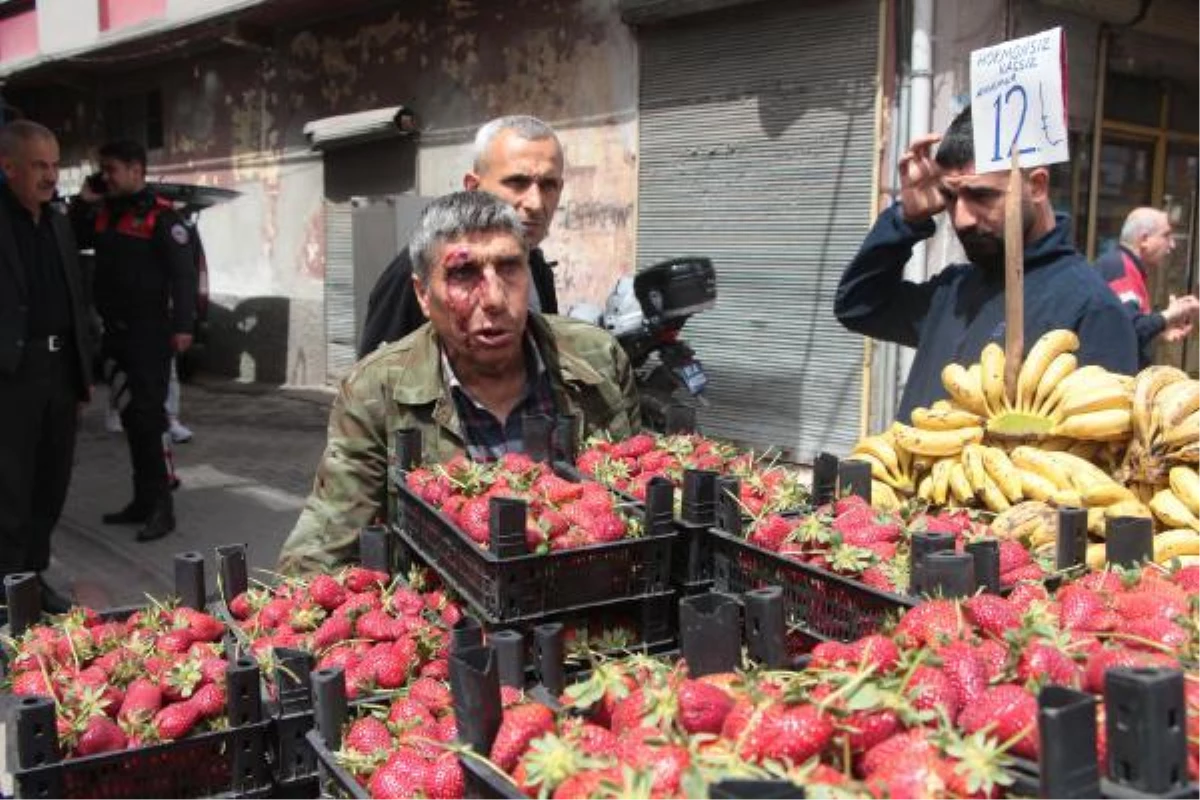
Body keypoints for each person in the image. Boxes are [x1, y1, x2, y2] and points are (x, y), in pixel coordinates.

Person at [278, 191, 640, 575]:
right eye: (464, 275)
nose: (496, 299)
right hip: (448, 620)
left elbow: (639, 498)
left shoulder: (597, 359)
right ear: (422, 295)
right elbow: (325, 542)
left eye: (508, 267)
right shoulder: (375, 391)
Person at [834, 107, 1138, 422]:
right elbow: (858, 306)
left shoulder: (1091, 310)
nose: (961, 219)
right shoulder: (955, 291)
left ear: (1036, 186)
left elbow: (1101, 447)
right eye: (950, 197)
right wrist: (906, 219)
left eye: (980, 196)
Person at [72, 140, 196, 542]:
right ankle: (141, 500)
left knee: (150, 420)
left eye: (111, 170)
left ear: (136, 169)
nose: (105, 177)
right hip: (115, 336)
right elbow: (71, 237)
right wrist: (82, 201)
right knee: (130, 419)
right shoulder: (105, 213)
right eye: (102, 170)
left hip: (149, 336)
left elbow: (183, 275)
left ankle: (163, 508)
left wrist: (182, 326)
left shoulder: (161, 217)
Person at [357, 115, 563, 356]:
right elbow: (378, 382)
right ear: (473, 188)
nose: (536, 204)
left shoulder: (537, 268)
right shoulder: (421, 272)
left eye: (548, 185)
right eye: (517, 182)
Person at [0, 120, 95, 613]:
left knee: (50, 483)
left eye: (55, 165)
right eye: (39, 165)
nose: (50, 175)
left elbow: (75, 298)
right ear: (8, 166)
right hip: (12, 375)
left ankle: (33, 579)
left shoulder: (58, 221)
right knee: (10, 490)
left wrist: (84, 372)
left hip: (60, 373)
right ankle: (9, 593)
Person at [1095, 207, 1199, 368]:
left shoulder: (1125, 265)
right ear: (1144, 239)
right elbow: (1132, 330)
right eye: (1166, 235)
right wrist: (1170, 314)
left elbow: (1127, 326)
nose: (1172, 245)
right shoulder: (1121, 269)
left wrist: (1162, 329)